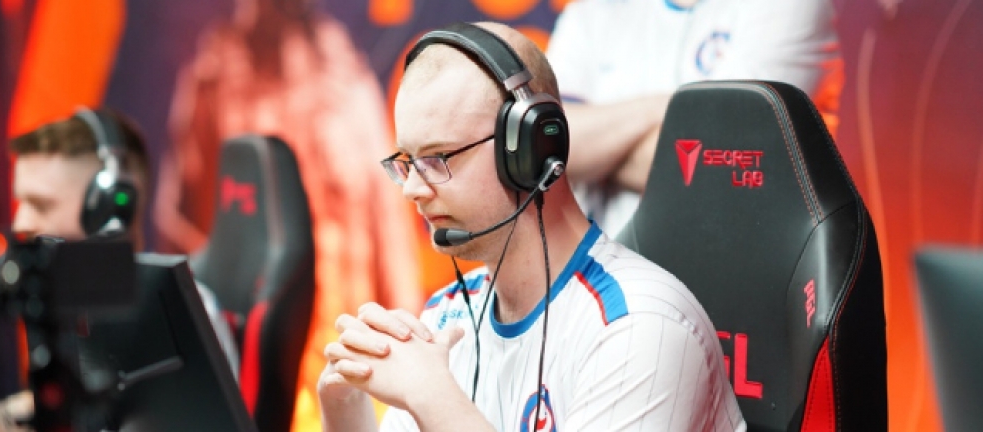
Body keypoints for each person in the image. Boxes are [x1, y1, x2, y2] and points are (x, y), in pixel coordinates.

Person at [317, 22, 744, 431]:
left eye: (437, 158)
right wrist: (344, 407)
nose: (411, 188)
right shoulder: (447, 315)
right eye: (407, 162)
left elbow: (434, 398)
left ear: (530, 148)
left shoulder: (641, 326)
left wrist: (432, 396)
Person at [155, 0, 422, 428]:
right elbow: (177, 231)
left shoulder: (348, 82)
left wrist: (405, 373)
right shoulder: (213, 83)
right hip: (252, 377)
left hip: (349, 369)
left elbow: (392, 239)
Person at [0, 108, 238, 430]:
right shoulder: (63, 310)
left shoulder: (179, 314)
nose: (21, 224)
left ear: (111, 211)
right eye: (19, 204)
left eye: (40, 204)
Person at [546, 0, 843, 238]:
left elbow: (721, 163)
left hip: (734, 274)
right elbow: (548, 142)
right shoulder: (590, 14)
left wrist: (590, 154)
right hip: (606, 277)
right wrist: (671, 107)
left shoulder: (785, 7)